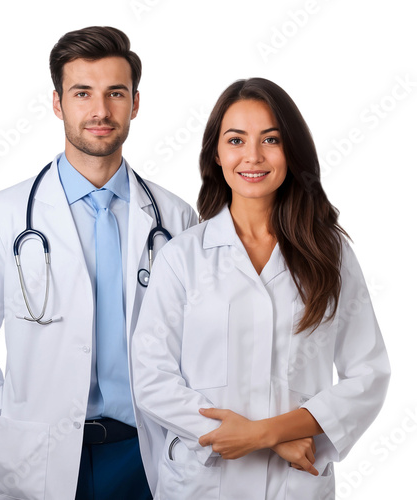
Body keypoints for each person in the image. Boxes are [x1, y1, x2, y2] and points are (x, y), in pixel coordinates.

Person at [0, 26, 197, 500]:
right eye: (83, 93)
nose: (100, 111)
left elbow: (200, 342)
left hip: (145, 453)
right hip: (38, 456)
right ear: (58, 103)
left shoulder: (175, 218)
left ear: (135, 104)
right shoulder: (5, 214)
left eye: (115, 94)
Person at [131, 77, 390, 499]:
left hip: (292, 482)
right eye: (236, 140)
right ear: (216, 153)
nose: (252, 156)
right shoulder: (182, 256)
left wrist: (265, 434)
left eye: (270, 139)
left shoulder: (330, 254)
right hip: (202, 480)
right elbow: (151, 378)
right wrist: (258, 437)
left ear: (291, 150)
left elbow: (369, 374)